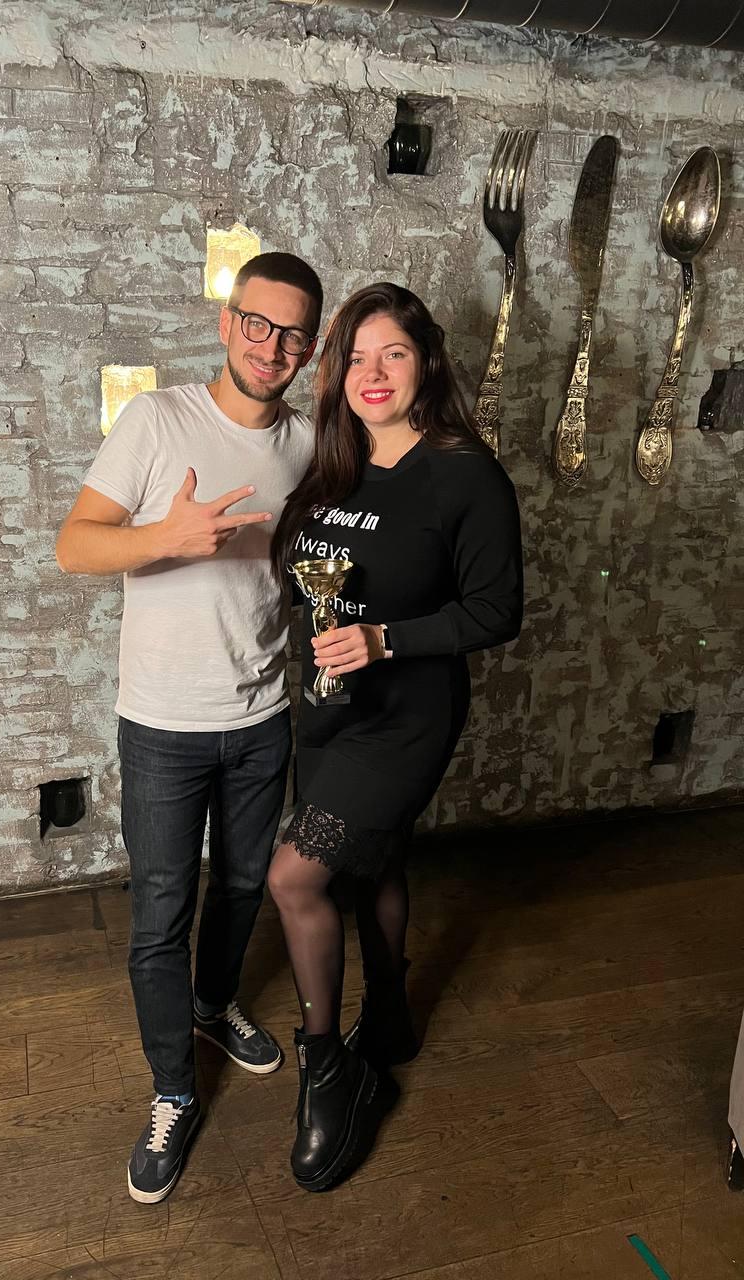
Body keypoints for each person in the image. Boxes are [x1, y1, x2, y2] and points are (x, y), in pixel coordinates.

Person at [56, 252, 322, 1204]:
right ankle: (174, 1091)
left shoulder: (308, 445)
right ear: (226, 321)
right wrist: (165, 538)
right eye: (258, 324)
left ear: (309, 349)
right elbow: (73, 544)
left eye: (293, 335)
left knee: (244, 886)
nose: (272, 347)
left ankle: (213, 1006)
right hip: (163, 724)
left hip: (262, 716)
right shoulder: (157, 420)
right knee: (161, 913)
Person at [266, 282, 523, 1192]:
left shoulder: (464, 474)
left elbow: (496, 611)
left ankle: (329, 1069)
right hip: (329, 708)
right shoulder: (332, 466)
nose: (373, 374)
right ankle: (389, 1019)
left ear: (426, 365)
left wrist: (385, 640)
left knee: (294, 877)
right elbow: (306, 581)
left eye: (395, 355)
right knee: (374, 861)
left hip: (407, 714)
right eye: (357, 358)